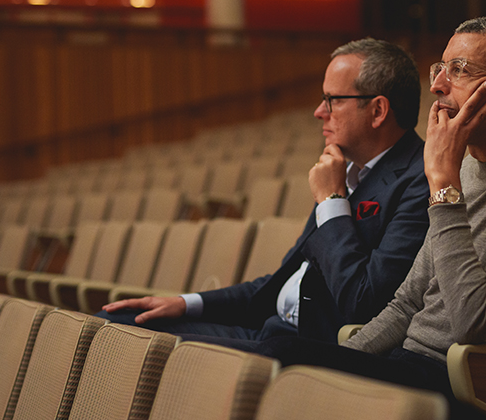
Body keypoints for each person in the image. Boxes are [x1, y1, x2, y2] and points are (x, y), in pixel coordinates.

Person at [253, 17, 486, 417]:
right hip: (405, 364)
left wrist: (443, 183)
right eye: (441, 69)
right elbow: (406, 303)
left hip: (466, 381)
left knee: (280, 352)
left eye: (459, 70)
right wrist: (338, 365)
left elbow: (473, 321)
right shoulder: (465, 169)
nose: (436, 86)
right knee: (280, 358)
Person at [97, 38, 430, 343]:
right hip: (269, 328)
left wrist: (331, 201)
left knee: (126, 340)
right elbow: (278, 285)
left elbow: (362, 303)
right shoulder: (346, 173)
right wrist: (186, 303)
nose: (319, 112)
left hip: (307, 348)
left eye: (332, 100)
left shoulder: (419, 181)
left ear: (378, 111)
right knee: (115, 323)